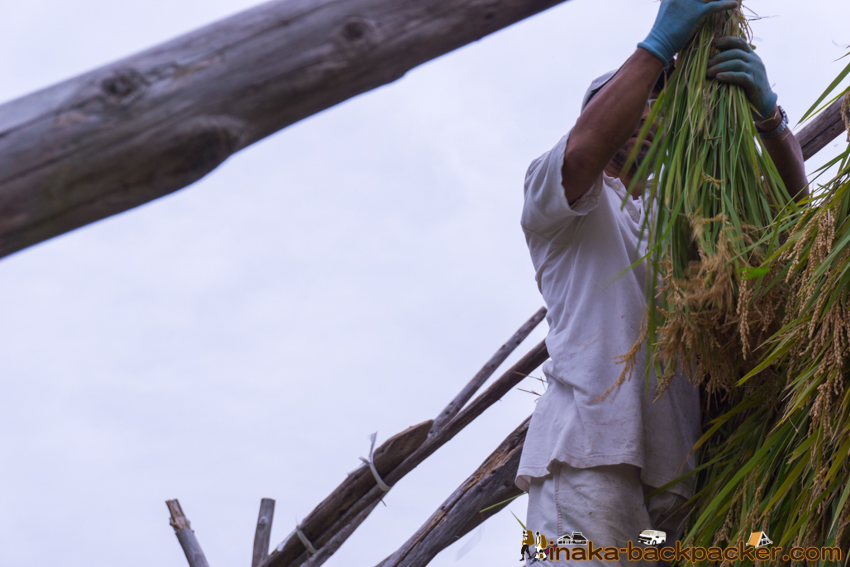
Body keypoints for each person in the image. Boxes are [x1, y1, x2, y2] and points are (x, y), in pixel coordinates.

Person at [516, 0, 808, 564]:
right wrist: (657, 45)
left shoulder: (683, 227)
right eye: (643, 101)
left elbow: (796, 231)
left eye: (665, 107)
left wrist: (770, 119)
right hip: (588, 462)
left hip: (673, 485)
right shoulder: (561, 200)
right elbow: (584, 150)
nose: (653, 116)